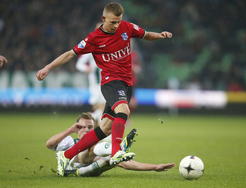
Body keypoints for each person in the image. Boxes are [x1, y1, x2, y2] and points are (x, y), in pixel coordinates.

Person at [36, 2, 173, 176]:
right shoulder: (94, 38)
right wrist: (48, 67)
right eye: (112, 22)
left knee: (105, 129)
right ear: (103, 19)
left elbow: (145, 35)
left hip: (126, 83)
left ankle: (66, 155)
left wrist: (159, 35)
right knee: (124, 110)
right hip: (110, 82)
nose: (116, 25)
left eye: (118, 21)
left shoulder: (127, 27)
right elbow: (70, 53)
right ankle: (116, 152)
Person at [46, 112, 175, 177]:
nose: (85, 129)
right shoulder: (69, 141)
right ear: (76, 128)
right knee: (94, 150)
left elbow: (125, 164)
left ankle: (116, 152)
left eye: (90, 127)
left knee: (110, 159)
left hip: (92, 167)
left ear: (95, 129)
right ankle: (118, 149)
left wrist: (155, 167)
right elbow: (49, 144)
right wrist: (70, 130)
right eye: (81, 127)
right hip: (73, 168)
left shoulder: (97, 145)